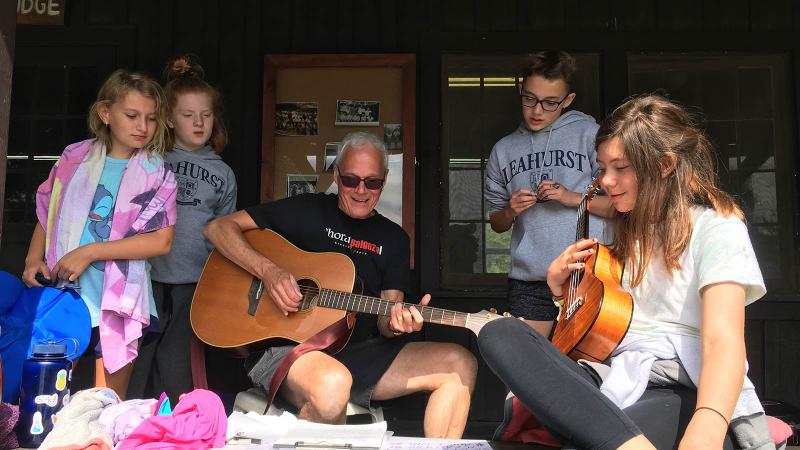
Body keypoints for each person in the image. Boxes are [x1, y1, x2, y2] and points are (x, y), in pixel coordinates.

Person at [478, 95, 773, 449]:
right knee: (500, 334)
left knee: (579, 436)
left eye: (620, 168)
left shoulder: (718, 226)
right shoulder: (629, 229)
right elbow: (600, 329)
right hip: (617, 373)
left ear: (664, 165)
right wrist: (559, 293)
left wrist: (707, 425)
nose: (606, 181)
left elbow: (723, 341)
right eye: (602, 168)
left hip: (682, 381)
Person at [204, 132, 476, 438]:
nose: (361, 190)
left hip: (362, 353)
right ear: (336, 175)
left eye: (372, 182)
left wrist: (398, 324)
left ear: (383, 181)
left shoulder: (394, 239)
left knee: (459, 363)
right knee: (333, 384)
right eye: (351, 180)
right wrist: (269, 271)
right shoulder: (304, 210)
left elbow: (387, 319)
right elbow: (218, 228)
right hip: (287, 346)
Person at [23, 69, 177, 400]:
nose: (142, 126)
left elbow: (161, 240)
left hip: (119, 299)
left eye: (151, 119)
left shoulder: (156, 173)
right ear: (105, 113)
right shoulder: (73, 158)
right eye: (132, 115)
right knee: (46, 391)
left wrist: (90, 252)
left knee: (105, 401)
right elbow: (48, 212)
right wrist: (33, 257)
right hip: (64, 291)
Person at [127, 55, 238, 401]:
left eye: (206, 115)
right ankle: (130, 418)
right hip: (147, 275)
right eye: (189, 115)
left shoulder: (223, 173)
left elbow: (226, 231)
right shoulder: (151, 160)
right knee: (139, 353)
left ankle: (176, 422)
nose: (199, 122)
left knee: (178, 359)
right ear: (170, 120)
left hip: (196, 281)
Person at [484, 51, 613, 337]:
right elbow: (497, 222)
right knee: (522, 375)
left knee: (587, 371)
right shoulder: (503, 150)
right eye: (529, 99)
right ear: (520, 90)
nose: (537, 110)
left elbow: (623, 206)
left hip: (589, 275)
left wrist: (571, 197)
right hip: (530, 279)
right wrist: (511, 210)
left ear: (568, 100)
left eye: (550, 102)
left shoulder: (592, 135)